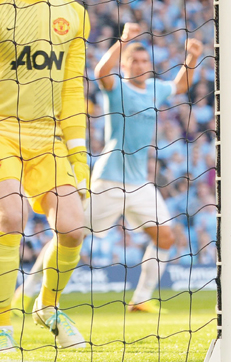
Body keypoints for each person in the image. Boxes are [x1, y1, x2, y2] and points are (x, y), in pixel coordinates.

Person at [17, 22, 203, 314]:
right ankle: (25, 293)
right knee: (68, 232)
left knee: (166, 237)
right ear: (126, 65)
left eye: (144, 61)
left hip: (140, 183)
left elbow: (181, 84)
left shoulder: (155, 89)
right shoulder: (117, 89)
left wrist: (191, 58)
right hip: (108, 181)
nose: (140, 65)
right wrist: (123, 40)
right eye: (134, 61)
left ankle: (141, 299)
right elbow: (101, 72)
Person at [0, 0, 90, 351]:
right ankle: (1, 324)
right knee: (11, 215)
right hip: (2, 130)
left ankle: (47, 308)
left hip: (49, 136)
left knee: (73, 227)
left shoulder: (73, 15)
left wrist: (79, 156)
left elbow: (73, 90)